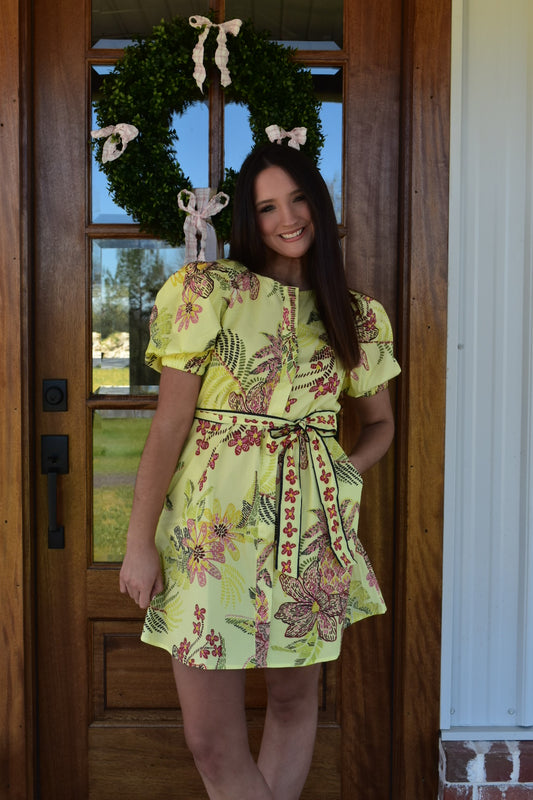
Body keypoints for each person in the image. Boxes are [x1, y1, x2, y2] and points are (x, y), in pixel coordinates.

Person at [119, 142, 401, 800]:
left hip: (310, 533)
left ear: (319, 204)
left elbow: (381, 425)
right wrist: (138, 543)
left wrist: (339, 474)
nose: (287, 217)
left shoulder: (355, 314)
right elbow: (168, 425)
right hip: (207, 536)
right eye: (267, 206)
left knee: (294, 703)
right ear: (249, 219)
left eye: (298, 198)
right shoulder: (207, 291)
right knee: (210, 739)